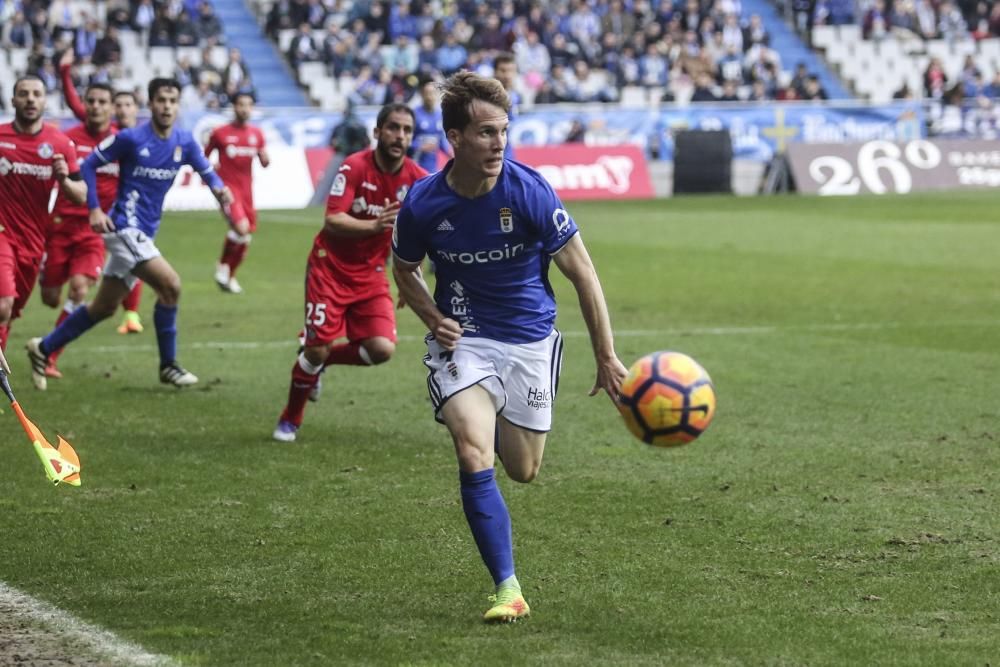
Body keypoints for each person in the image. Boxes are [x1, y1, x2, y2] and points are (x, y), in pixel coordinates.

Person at [391, 72, 627, 623]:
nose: (498, 144)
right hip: (465, 339)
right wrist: (432, 315)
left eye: (503, 131)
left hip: (529, 342)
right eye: (484, 133)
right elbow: (403, 270)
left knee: (523, 469)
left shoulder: (530, 191)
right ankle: (508, 588)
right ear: (454, 137)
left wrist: (606, 354)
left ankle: (487, 406)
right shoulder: (423, 204)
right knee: (473, 450)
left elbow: (583, 274)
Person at [26, 77, 233, 391]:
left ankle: (43, 348)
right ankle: (169, 365)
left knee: (104, 307)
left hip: (145, 233)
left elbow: (207, 171)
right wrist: (94, 208)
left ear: (178, 105)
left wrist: (220, 191)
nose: (166, 106)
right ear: (150, 104)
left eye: (172, 101)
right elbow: (89, 165)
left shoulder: (184, 142)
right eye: (161, 100)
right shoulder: (132, 138)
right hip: (123, 228)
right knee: (171, 287)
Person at [272, 103, 428, 442]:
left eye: (406, 130)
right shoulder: (354, 166)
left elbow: (430, 230)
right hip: (329, 267)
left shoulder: (417, 179)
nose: (399, 136)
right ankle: (291, 417)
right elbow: (333, 219)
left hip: (371, 273)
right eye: (393, 128)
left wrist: (410, 274)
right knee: (316, 349)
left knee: (381, 349)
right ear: (377, 132)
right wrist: (375, 225)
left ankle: (323, 363)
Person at [58, 50, 146, 335]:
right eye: (117, 104)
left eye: (126, 104)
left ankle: (131, 314)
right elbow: (75, 104)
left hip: (110, 220)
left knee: (137, 259)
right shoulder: (91, 132)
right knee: (51, 294)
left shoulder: (127, 140)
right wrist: (64, 72)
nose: (121, 110)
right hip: (69, 219)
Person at [38, 77, 119, 380]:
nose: (96, 106)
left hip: (94, 231)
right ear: (84, 105)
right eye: (91, 101)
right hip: (59, 226)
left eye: (102, 101)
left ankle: (49, 354)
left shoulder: (122, 144)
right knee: (49, 296)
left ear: (111, 107)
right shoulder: (66, 139)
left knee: (80, 289)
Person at [0, 76, 87, 351]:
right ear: (13, 100)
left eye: (36, 94)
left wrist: (64, 181)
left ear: (44, 100)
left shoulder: (60, 144)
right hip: (2, 234)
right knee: (3, 304)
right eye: (23, 94)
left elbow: (82, 194)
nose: (30, 99)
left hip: (33, 240)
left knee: (9, 314)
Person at [205, 92, 270, 294]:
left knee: (245, 234)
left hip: (247, 191)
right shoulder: (220, 133)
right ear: (234, 107)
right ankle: (224, 267)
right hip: (227, 190)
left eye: (249, 105)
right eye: (241, 104)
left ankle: (229, 274)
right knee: (241, 229)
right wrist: (212, 174)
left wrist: (265, 157)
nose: (245, 109)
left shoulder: (257, 134)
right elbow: (203, 157)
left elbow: (264, 162)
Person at [411, 78, 449, 173]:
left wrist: (452, 154)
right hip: (416, 164)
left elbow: (441, 141)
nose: (430, 97)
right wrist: (419, 146)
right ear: (422, 95)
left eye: (433, 93)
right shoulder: (414, 114)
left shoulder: (440, 115)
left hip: (432, 167)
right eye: (427, 93)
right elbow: (406, 142)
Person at [493, 53, 520, 160]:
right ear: (495, 72)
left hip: (508, 152)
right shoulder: (489, 98)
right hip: (492, 154)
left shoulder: (514, 96)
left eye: (511, 70)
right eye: (503, 70)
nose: (507, 75)